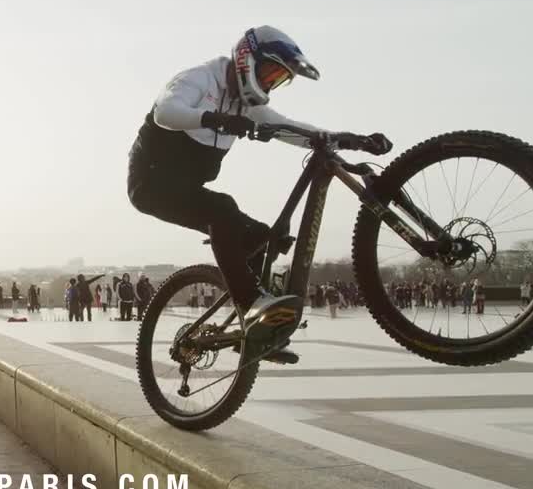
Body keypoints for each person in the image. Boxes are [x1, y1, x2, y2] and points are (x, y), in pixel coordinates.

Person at [126, 26, 390, 363]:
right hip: (150, 183)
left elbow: (293, 130)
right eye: (269, 73)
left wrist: (348, 139)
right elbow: (165, 112)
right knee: (222, 210)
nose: (268, 84)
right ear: (246, 59)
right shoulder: (200, 79)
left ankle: (257, 334)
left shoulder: (245, 105)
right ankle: (251, 305)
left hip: (187, 186)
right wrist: (214, 119)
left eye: (277, 80)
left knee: (265, 239)